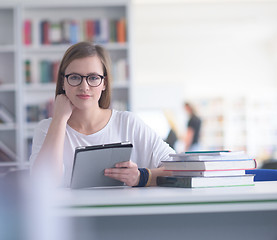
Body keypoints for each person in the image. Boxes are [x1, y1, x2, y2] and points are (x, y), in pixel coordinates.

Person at [30, 41, 175, 188]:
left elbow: (178, 169)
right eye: (74, 77)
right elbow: (42, 184)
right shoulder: (47, 129)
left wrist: (141, 177)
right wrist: (59, 120)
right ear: (63, 82)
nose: (84, 87)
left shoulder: (128, 123)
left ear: (104, 83)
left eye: (93, 78)